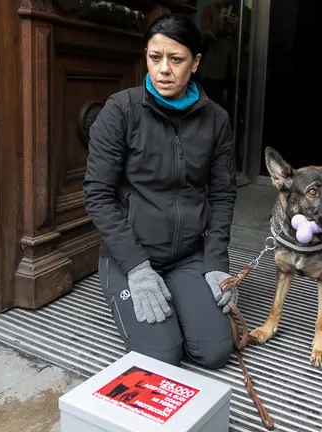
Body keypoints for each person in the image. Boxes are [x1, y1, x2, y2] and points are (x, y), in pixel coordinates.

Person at [83, 14, 238, 369]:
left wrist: (215, 263)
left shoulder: (217, 121)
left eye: (176, 59)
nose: (164, 69)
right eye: (155, 58)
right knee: (161, 356)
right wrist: (136, 267)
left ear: (195, 63)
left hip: (188, 255)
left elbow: (222, 194)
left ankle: (186, 293)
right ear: (146, 57)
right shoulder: (120, 111)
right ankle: (125, 288)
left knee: (215, 351)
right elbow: (98, 194)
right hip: (131, 255)